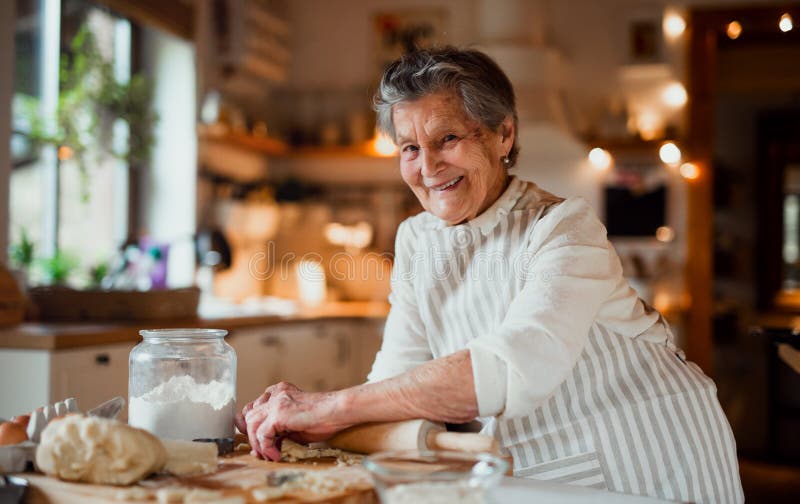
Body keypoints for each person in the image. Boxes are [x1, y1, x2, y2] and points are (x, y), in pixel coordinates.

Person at [235, 46, 744, 503]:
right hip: (525, 472)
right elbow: (393, 382)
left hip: (648, 464)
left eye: (448, 138)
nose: (428, 166)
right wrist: (311, 420)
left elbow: (509, 371)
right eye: (409, 148)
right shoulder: (417, 240)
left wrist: (326, 407)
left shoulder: (565, 229)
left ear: (504, 134)